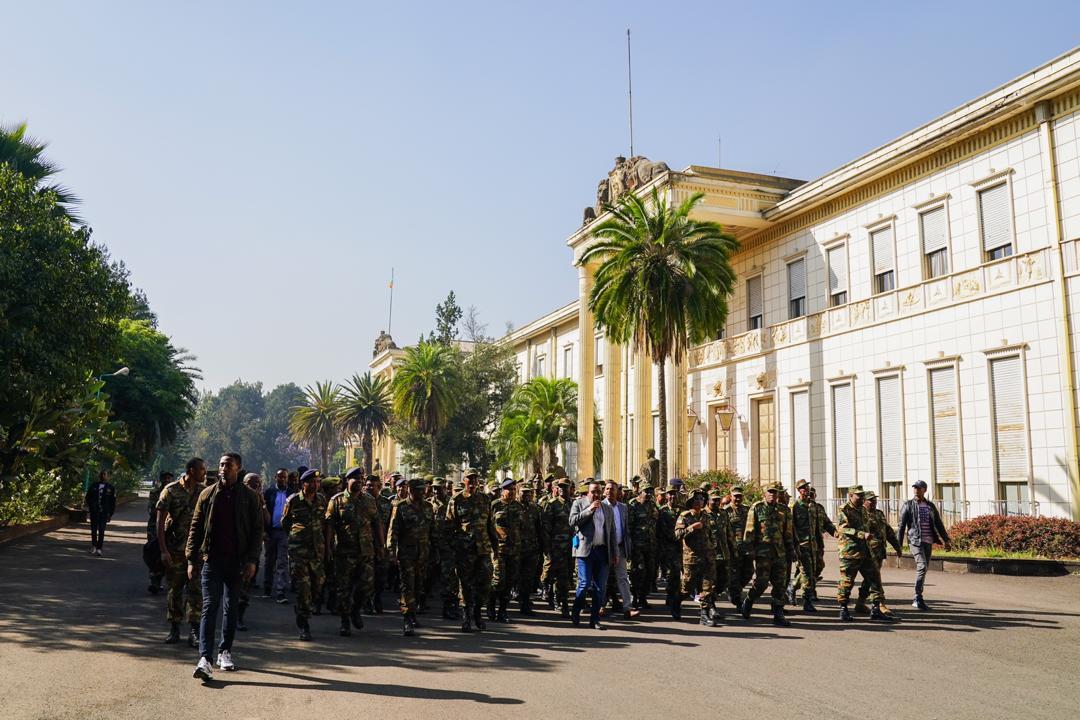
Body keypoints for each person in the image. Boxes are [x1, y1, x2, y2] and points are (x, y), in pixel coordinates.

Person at [185, 453, 263, 681]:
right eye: (221, 465)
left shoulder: (250, 497)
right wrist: (191, 559)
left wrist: (252, 560)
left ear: (238, 468)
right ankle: (204, 659)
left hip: (237, 562)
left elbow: (257, 530)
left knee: (231, 607)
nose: (223, 468)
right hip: (212, 560)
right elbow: (195, 527)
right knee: (209, 606)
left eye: (228, 465)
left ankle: (224, 651)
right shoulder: (208, 494)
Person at [325, 467, 384, 636]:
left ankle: (356, 609)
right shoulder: (337, 501)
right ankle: (345, 620)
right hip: (345, 552)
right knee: (344, 588)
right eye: (356, 479)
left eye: (361, 479)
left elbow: (377, 523)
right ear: (347, 481)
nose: (359, 482)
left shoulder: (369, 500)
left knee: (366, 586)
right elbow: (329, 526)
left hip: (366, 551)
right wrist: (328, 547)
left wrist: (381, 546)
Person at [157, 459, 205, 647]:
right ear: (191, 471)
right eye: (201, 469)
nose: (204, 472)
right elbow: (160, 522)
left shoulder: (204, 491)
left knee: (196, 590)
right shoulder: (171, 490)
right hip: (175, 550)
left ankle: (194, 630)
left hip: (196, 552)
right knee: (175, 589)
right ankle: (174, 627)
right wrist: (163, 550)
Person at [447, 468, 497, 632]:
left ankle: (477, 612)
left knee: (485, 582)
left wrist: (495, 548)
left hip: (483, 548)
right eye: (470, 478)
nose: (473, 481)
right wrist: (454, 548)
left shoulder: (485, 499)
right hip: (465, 550)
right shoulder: (456, 500)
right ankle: (467, 616)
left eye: (475, 478)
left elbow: (490, 525)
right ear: (464, 481)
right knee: (466, 584)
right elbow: (449, 526)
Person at [740, 481, 794, 627]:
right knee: (761, 583)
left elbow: (788, 532)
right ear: (764, 494)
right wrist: (749, 549)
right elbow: (749, 530)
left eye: (775, 492)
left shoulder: (784, 510)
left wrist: (791, 550)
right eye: (770, 492)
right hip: (763, 553)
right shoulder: (757, 508)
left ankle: (778, 613)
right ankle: (749, 600)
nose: (772, 495)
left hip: (780, 553)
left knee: (780, 584)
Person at [281, 468, 325, 640]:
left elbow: (324, 523)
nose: (315, 485)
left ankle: (303, 609)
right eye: (312, 482)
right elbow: (285, 523)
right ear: (303, 484)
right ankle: (304, 623)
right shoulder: (293, 501)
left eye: (317, 482)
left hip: (317, 551)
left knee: (318, 585)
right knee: (303, 588)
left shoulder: (321, 500)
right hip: (298, 552)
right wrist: (296, 538)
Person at [835, 485, 890, 623]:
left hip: (866, 551)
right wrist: (861, 534)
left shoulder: (863, 510)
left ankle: (876, 609)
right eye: (858, 495)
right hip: (850, 552)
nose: (861, 498)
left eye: (862, 495)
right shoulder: (844, 509)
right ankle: (843, 609)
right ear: (851, 496)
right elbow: (843, 528)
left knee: (875, 578)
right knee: (847, 581)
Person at [387, 477, 433, 636]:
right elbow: (393, 531)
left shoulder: (428, 507)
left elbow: (432, 530)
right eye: (419, 490)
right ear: (411, 491)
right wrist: (391, 551)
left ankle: (413, 613)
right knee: (407, 586)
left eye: (423, 490)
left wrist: (436, 551)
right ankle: (407, 619)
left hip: (423, 554)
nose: (423, 493)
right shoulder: (401, 507)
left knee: (419, 586)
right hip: (407, 554)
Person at [897, 480, 952, 610]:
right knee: (922, 566)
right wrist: (898, 546)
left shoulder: (930, 506)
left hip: (928, 541)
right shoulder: (908, 505)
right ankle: (917, 597)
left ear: (924, 490)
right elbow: (901, 526)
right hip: (915, 541)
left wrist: (946, 540)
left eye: (919, 488)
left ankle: (918, 597)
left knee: (924, 568)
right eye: (914, 488)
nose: (916, 490)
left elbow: (938, 524)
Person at [569, 480, 616, 629]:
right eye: (593, 491)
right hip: (585, 551)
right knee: (584, 584)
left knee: (600, 587)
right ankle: (576, 611)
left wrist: (614, 552)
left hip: (602, 552)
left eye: (598, 491)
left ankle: (594, 619)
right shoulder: (579, 503)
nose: (596, 494)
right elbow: (572, 521)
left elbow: (612, 532)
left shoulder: (607, 508)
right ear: (588, 492)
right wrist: (589, 509)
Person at [675, 490, 719, 627]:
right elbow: (677, 534)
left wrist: (713, 546)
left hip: (707, 556)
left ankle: (704, 615)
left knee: (707, 587)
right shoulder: (685, 516)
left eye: (702, 499)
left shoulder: (706, 515)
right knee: (687, 587)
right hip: (692, 558)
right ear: (691, 501)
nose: (700, 501)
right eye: (697, 499)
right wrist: (691, 527)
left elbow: (710, 534)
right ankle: (676, 601)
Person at [857, 490, 902, 618]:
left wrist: (897, 547)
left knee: (870, 578)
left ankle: (860, 603)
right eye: (871, 500)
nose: (874, 502)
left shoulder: (879, 513)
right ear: (864, 501)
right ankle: (880, 604)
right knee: (875, 578)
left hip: (879, 552)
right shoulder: (860, 515)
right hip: (867, 553)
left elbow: (888, 531)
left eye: (875, 499)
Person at [237, 472, 268, 631]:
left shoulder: (260, 500)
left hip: (251, 550)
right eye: (251, 483)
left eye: (258, 483)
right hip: (235, 548)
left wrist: (262, 503)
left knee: (245, 585)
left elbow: (267, 521)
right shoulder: (238, 498)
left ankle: (239, 616)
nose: (255, 486)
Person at [489, 478, 523, 623]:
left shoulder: (518, 506)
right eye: (510, 489)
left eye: (514, 489)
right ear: (503, 490)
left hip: (514, 550)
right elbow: (488, 527)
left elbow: (521, 527)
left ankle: (503, 611)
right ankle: (491, 606)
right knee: (498, 581)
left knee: (509, 581)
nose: (513, 492)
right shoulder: (494, 505)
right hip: (499, 550)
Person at [540, 477, 574, 617]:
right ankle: (559, 601)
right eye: (560, 487)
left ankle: (561, 600)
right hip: (556, 546)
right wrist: (547, 548)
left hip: (571, 546)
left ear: (570, 488)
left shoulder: (574, 504)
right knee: (557, 575)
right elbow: (546, 528)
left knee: (566, 575)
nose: (562, 489)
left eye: (565, 487)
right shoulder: (552, 504)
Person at [428, 476, 460, 620]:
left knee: (449, 578)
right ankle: (421, 602)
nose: (436, 491)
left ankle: (449, 607)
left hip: (447, 546)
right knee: (427, 576)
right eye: (434, 488)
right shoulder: (428, 504)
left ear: (444, 489)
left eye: (439, 488)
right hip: (431, 546)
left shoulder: (452, 503)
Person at [603, 480, 636, 619]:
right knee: (602, 578)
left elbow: (626, 528)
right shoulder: (600, 506)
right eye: (607, 489)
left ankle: (627, 608)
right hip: (604, 548)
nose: (609, 491)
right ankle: (600, 606)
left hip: (620, 547)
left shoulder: (623, 507)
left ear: (618, 492)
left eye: (612, 489)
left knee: (623, 578)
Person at [788, 479, 821, 611]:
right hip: (801, 546)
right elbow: (791, 528)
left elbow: (818, 526)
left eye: (807, 487)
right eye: (803, 488)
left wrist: (821, 544)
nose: (806, 490)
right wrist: (793, 547)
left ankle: (792, 586)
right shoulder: (794, 506)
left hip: (813, 546)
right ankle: (807, 601)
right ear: (798, 490)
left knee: (812, 572)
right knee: (807, 573)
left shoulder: (813, 505)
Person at [627, 482, 659, 612]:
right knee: (638, 572)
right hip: (637, 545)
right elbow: (629, 526)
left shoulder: (652, 505)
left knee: (650, 572)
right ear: (640, 491)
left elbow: (655, 521)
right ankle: (634, 597)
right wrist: (630, 544)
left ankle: (643, 597)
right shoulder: (633, 504)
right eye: (646, 491)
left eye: (651, 491)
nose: (649, 494)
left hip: (650, 544)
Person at [262, 468, 291, 604]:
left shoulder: (291, 494)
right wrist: (264, 531)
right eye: (280, 477)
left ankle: (280, 591)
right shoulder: (269, 492)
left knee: (282, 561)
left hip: (284, 532)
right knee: (269, 561)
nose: (282, 479)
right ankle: (267, 588)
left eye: (284, 477)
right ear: (275, 477)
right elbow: (263, 511)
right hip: (271, 531)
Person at [657, 487, 683, 618]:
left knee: (678, 574)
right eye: (670, 494)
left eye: (674, 494)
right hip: (667, 547)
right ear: (667, 496)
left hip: (680, 547)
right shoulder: (662, 511)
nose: (672, 496)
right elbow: (662, 529)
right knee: (671, 573)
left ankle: (673, 595)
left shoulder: (682, 510)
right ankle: (671, 595)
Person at [517, 484, 543, 616]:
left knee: (528, 578)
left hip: (531, 549)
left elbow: (540, 528)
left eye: (529, 492)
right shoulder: (514, 507)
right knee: (513, 577)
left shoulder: (535, 509)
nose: (526, 494)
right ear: (518, 492)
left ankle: (525, 603)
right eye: (524, 492)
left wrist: (541, 547)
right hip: (515, 548)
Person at [726, 485, 753, 606]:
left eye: (740, 496)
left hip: (746, 547)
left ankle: (734, 590)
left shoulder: (747, 510)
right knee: (735, 574)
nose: (738, 499)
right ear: (730, 496)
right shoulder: (726, 511)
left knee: (749, 572)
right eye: (735, 496)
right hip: (732, 548)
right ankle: (737, 599)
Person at [147, 470, 174, 593]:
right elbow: (152, 510)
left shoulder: (175, 493)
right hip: (155, 528)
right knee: (154, 554)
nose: (167, 480)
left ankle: (167, 581)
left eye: (169, 478)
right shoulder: (155, 493)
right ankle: (155, 581)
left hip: (170, 529)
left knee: (170, 555)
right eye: (164, 478)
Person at [85, 469, 116, 556]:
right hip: (94, 511)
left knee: (101, 530)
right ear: (100, 476)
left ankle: (99, 548)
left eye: (105, 475)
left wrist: (110, 513)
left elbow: (112, 502)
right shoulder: (94, 486)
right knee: (94, 529)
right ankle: (94, 546)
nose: (103, 476)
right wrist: (91, 506)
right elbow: (88, 497)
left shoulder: (111, 488)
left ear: (108, 477)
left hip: (104, 512)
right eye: (102, 474)